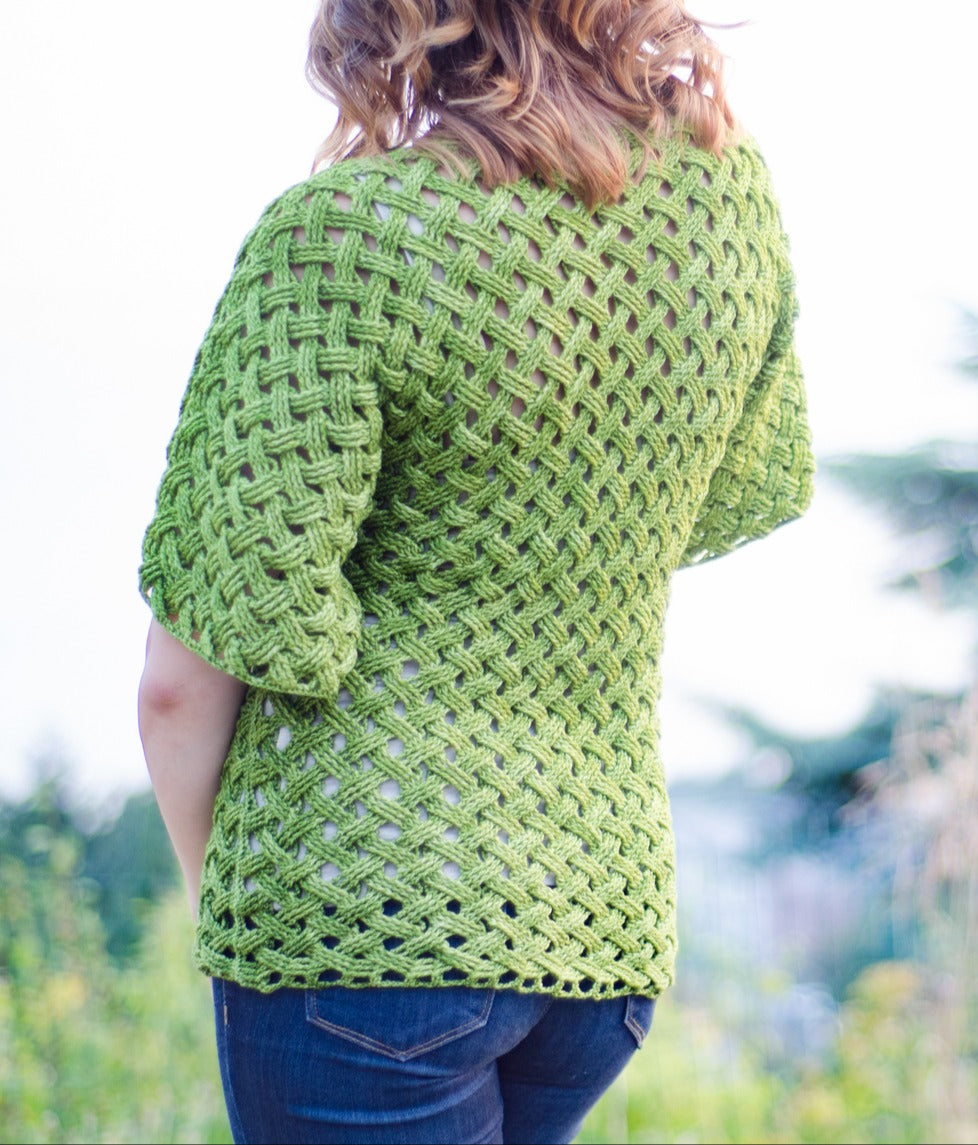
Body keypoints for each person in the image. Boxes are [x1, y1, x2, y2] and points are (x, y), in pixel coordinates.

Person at [136, 2, 814, 1142]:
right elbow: (744, 479)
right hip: (601, 927)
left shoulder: (346, 236)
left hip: (360, 915)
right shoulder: (727, 205)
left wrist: (236, 901)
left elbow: (188, 671)